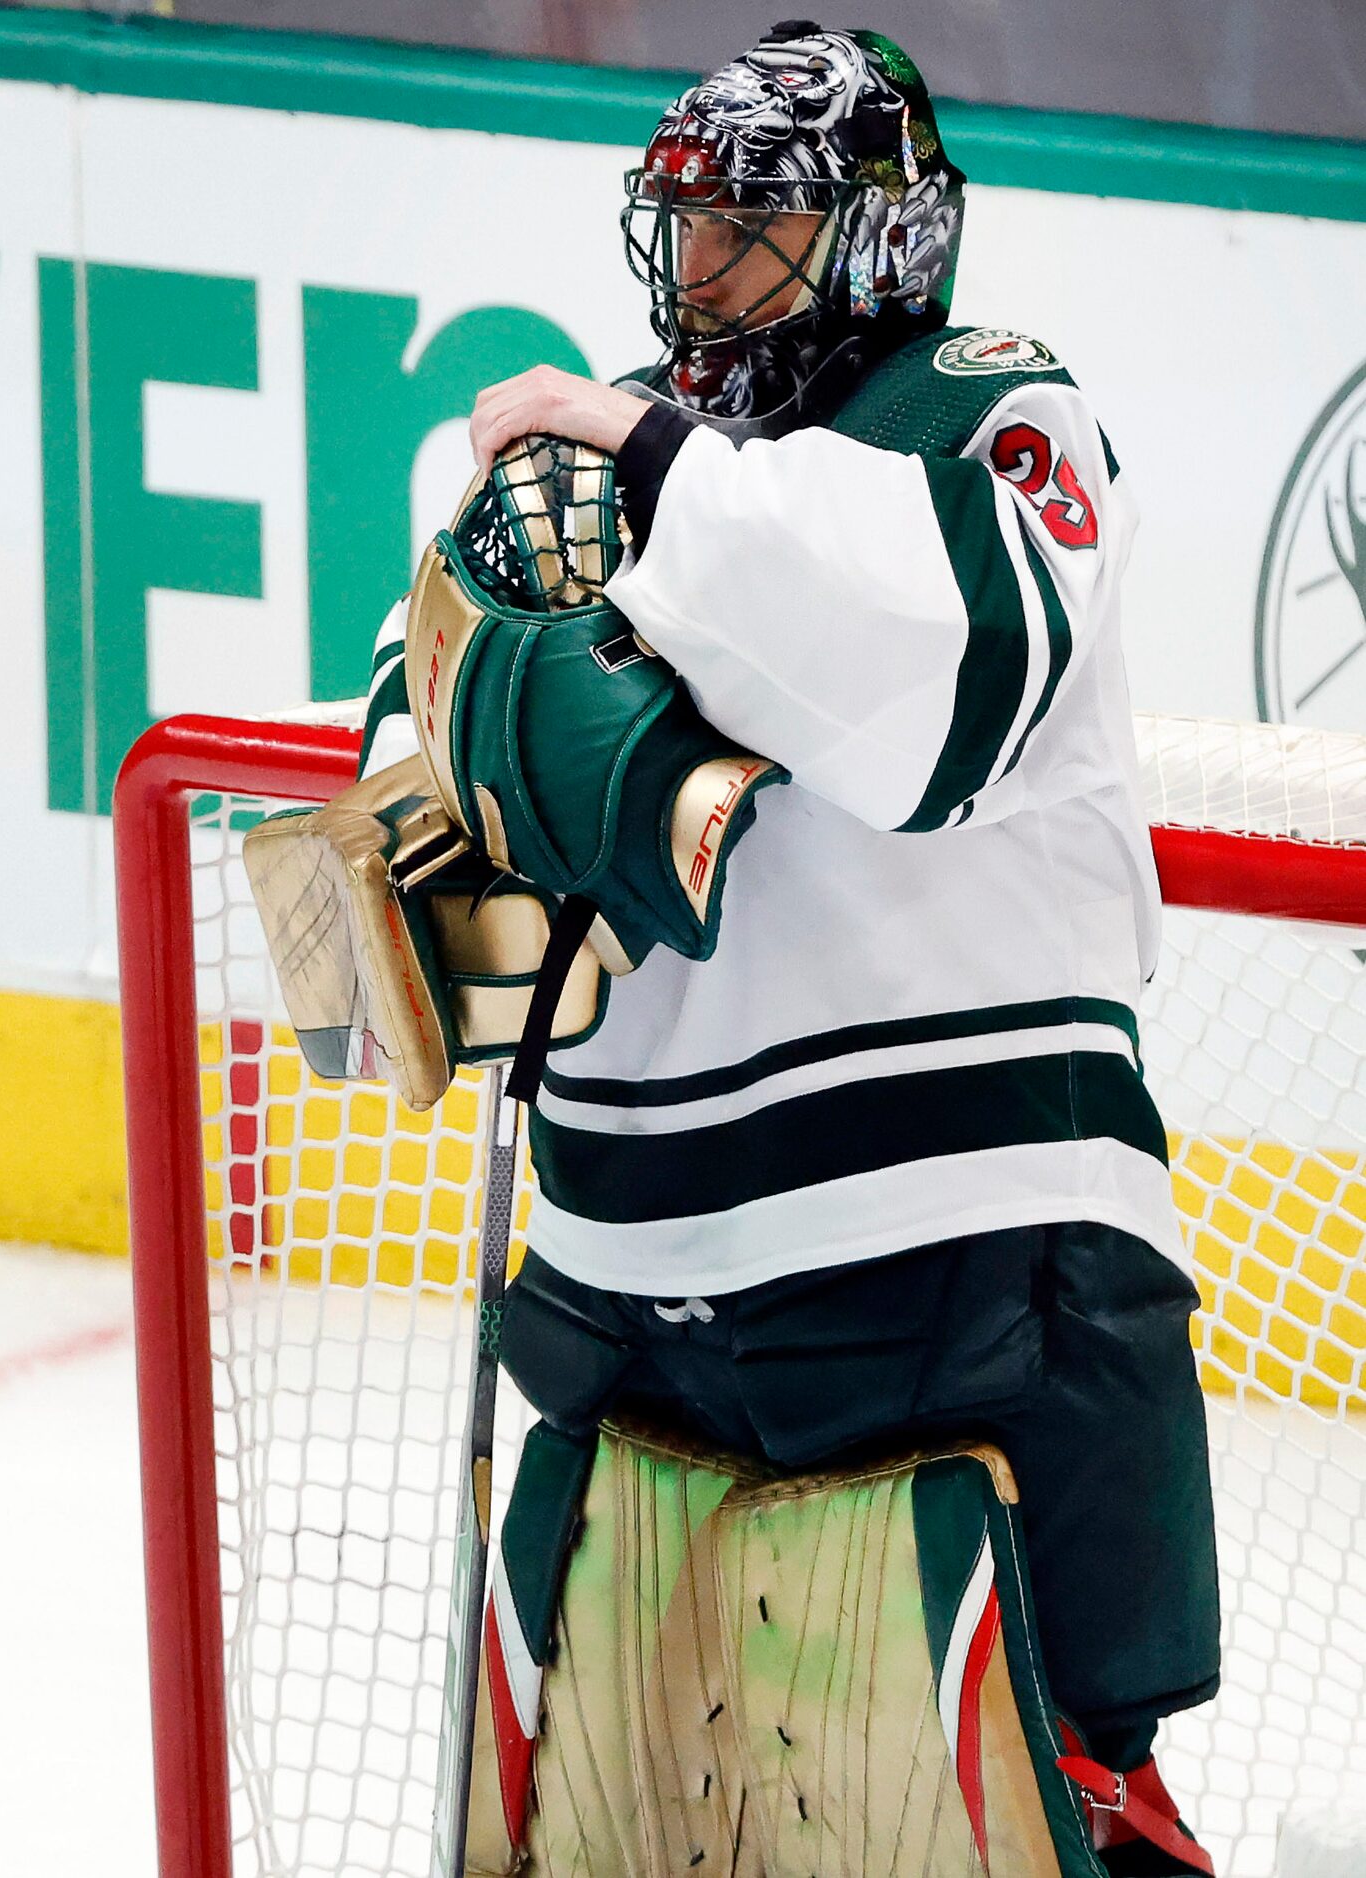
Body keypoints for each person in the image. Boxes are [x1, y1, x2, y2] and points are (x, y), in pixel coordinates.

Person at [365, 23, 1217, 1874]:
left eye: (757, 231)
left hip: (958, 1268)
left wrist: (651, 492)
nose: (706, 277)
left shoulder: (992, 413)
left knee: (1040, 1809)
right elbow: (408, 812)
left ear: (889, 238)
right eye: (686, 230)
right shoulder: (604, 443)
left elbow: (937, 686)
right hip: (627, 1308)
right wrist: (497, 696)